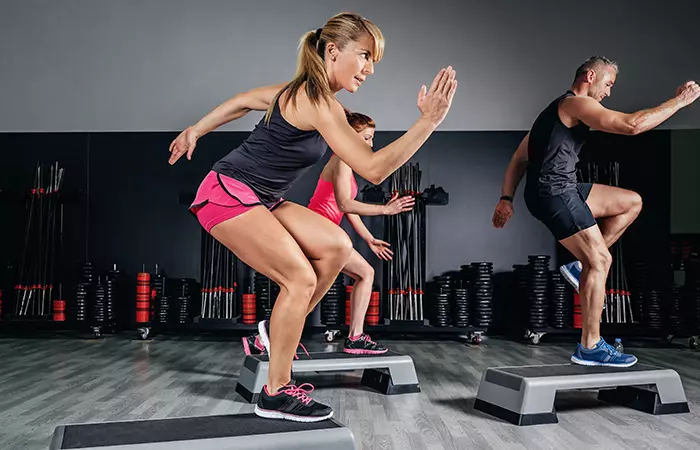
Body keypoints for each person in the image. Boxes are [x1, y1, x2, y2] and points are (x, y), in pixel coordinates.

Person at [169, 12, 458, 422]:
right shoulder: (319, 102)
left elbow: (242, 100)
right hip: (228, 194)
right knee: (300, 278)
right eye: (364, 56)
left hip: (265, 198)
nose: (370, 69)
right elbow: (373, 169)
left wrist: (198, 128)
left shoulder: (306, 95)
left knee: (338, 247)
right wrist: (428, 122)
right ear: (333, 51)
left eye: (374, 60)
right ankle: (275, 392)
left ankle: (275, 331)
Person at [492, 55, 699, 367]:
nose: (609, 92)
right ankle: (590, 345)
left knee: (631, 202)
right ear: (589, 76)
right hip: (555, 192)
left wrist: (507, 198)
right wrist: (680, 102)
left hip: (562, 188)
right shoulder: (575, 104)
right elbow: (632, 126)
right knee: (601, 259)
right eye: (608, 83)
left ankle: (579, 267)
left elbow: (520, 158)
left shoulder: (550, 114)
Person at [242, 110, 415, 358]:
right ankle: (354, 338)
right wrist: (385, 210)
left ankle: (260, 340)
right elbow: (345, 203)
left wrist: (368, 238)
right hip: (316, 232)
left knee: (316, 289)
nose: (371, 143)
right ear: (350, 136)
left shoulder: (347, 163)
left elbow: (346, 208)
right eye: (366, 138)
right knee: (361, 275)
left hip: (324, 233)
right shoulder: (342, 161)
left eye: (372, 138)